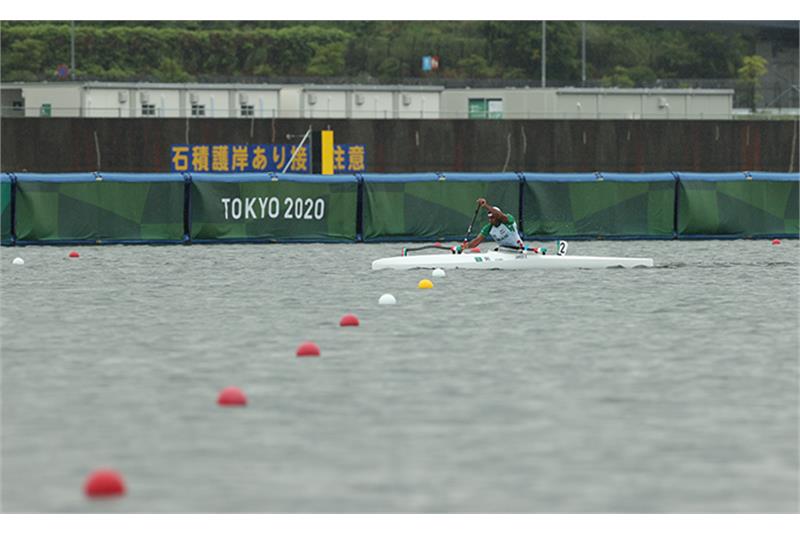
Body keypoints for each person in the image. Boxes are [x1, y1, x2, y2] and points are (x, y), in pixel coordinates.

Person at [454, 198, 545, 254]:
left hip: (517, 251)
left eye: (493, 217)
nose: (491, 220)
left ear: (497, 216)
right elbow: (476, 242)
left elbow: (500, 215)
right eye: (489, 218)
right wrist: (463, 247)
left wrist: (485, 206)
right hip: (503, 251)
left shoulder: (508, 220)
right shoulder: (488, 227)